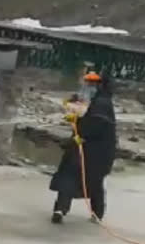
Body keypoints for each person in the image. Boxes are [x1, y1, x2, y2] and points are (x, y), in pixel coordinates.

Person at [50, 72, 117, 224]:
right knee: (67, 176)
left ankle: (97, 213)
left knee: (94, 181)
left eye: (92, 84)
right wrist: (72, 113)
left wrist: (81, 135)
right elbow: (80, 115)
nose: (88, 87)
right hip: (79, 148)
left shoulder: (102, 103)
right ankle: (60, 209)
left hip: (97, 152)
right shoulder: (89, 100)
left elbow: (97, 126)